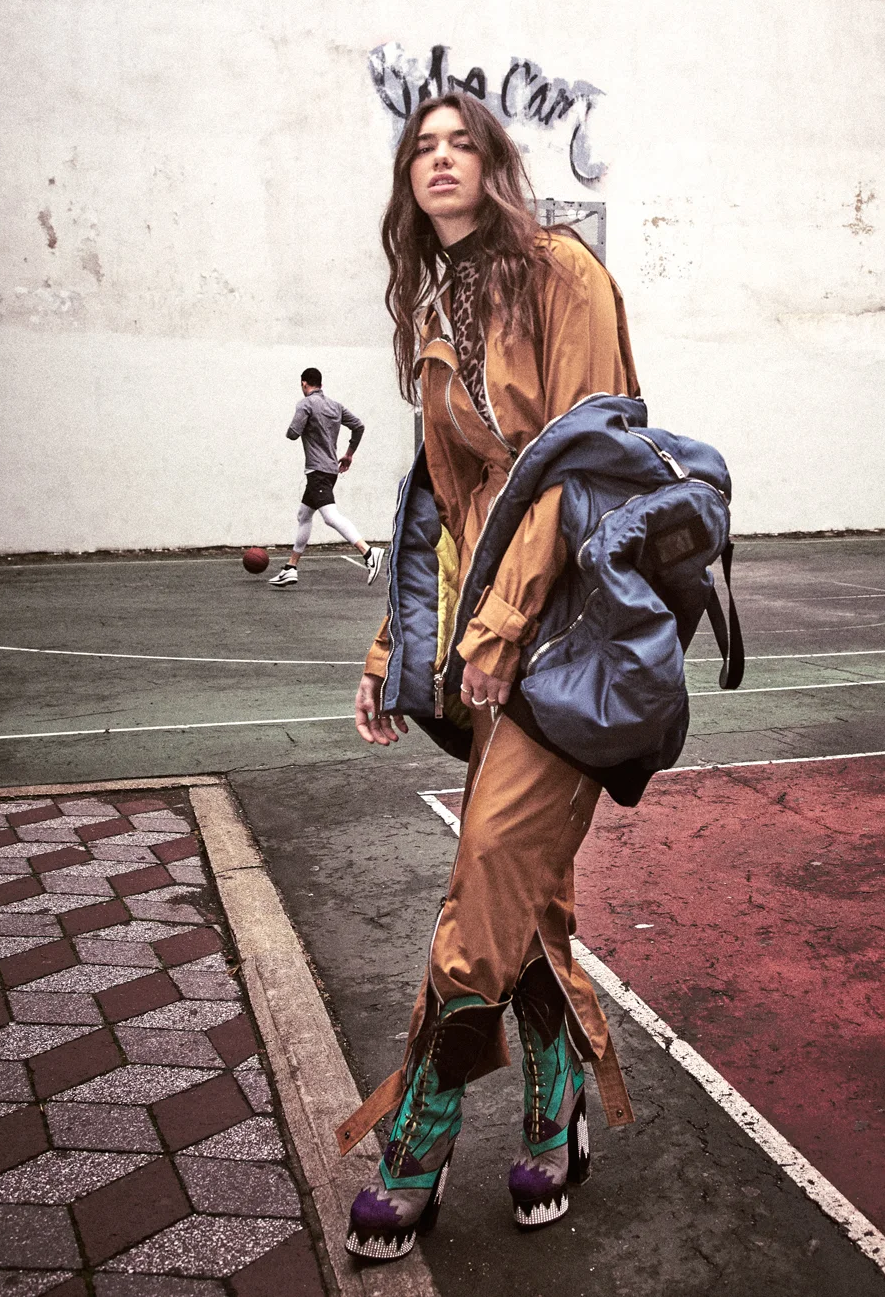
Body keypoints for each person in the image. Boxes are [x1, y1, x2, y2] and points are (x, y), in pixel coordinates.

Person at [342, 93, 639, 1262]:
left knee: (485, 879)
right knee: (525, 888)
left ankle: (416, 1133)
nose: (438, 157)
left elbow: (587, 455)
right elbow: (440, 499)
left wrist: (509, 617)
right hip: (483, 647)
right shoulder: (437, 308)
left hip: (573, 635)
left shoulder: (564, 274)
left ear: (496, 162)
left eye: (459, 141)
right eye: (420, 145)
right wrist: (393, 648)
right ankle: (555, 1104)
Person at [268, 369, 382, 587]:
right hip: (329, 470)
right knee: (304, 515)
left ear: (304, 384)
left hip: (317, 471)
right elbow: (358, 426)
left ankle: (368, 553)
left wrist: (303, 423)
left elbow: (292, 433)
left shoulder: (305, 404)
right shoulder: (335, 406)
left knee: (330, 516)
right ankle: (291, 568)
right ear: (320, 384)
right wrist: (349, 454)